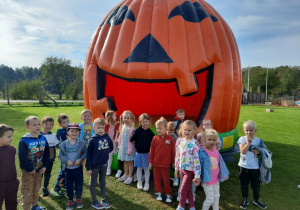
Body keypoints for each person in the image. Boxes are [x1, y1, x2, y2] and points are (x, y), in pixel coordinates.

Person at [18, 116, 49, 210]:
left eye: (39, 124)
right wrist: (30, 168)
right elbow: (22, 157)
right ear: (27, 127)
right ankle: (26, 207)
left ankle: (35, 205)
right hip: (28, 171)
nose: (37, 126)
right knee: (27, 190)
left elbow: (46, 153)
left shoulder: (43, 138)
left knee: (36, 188)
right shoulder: (24, 140)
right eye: (34, 125)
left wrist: (45, 165)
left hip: (39, 169)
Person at [238, 120, 267, 209]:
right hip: (243, 166)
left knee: (255, 184)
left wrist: (258, 152)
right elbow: (243, 151)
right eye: (247, 130)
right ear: (243, 130)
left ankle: (256, 199)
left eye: (251, 130)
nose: (249, 132)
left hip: (254, 167)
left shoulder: (259, 141)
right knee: (244, 184)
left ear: (255, 131)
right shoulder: (242, 139)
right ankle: (245, 199)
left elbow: (264, 152)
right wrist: (249, 142)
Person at [58, 123, 87, 210]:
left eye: (76, 131)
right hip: (68, 169)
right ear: (68, 132)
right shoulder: (63, 144)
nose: (74, 133)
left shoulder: (81, 143)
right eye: (72, 131)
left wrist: (80, 159)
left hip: (78, 168)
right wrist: (67, 161)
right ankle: (70, 199)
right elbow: (60, 155)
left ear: (79, 132)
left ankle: (78, 198)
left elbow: (86, 153)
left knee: (79, 184)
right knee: (69, 185)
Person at [86, 118, 113, 209]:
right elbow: (88, 155)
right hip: (94, 166)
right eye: (98, 128)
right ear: (94, 128)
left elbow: (111, 146)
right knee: (93, 182)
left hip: (104, 164)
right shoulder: (92, 140)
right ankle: (94, 201)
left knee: (103, 182)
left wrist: (104, 153)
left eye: (102, 127)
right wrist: (88, 168)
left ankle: (103, 199)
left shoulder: (106, 137)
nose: (101, 129)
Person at [199, 129, 229, 210]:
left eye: (214, 140)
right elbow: (198, 166)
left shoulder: (216, 151)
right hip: (207, 180)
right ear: (204, 139)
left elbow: (221, 164)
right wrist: (197, 177)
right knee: (210, 199)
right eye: (209, 139)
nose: (211, 142)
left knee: (216, 197)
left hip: (216, 179)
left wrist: (225, 174)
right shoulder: (201, 152)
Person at [175, 120, 201, 210]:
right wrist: (176, 169)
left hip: (190, 171)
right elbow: (177, 155)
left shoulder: (194, 144)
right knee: (189, 189)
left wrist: (197, 175)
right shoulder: (180, 141)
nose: (186, 132)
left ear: (194, 131)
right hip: (181, 169)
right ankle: (192, 206)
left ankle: (181, 206)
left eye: (189, 130)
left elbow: (197, 161)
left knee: (183, 188)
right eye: (185, 130)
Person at [149, 117, 175, 203]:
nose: (158, 130)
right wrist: (150, 162)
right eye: (157, 128)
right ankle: (158, 192)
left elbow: (173, 152)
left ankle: (168, 193)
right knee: (157, 179)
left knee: (166, 179)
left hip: (165, 165)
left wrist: (173, 162)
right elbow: (151, 151)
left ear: (166, 128)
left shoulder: (170, 139)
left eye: (160, 128)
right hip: (156, 164)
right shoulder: (155, 138)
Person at [130, 113, 154, 191]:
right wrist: (135, 142)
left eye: (147, 121)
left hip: (147, 154)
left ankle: (146, 183)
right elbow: (131, 139)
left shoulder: (150, 132)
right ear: (140, 123)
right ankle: (139, 182)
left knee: (146, 169)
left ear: (149, 122)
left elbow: (154, 142)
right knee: (139, 168)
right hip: (139, 153)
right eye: (143, 122)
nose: (145, 123)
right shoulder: (138, 131)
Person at [0, 124, 19, 210]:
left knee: (12, 204)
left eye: (11, 136)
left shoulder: (12, 149)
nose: (11, 138)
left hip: (12, 182)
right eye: (8, 137)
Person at [40, 116, 60, 197]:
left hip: (49, 160)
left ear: (53, 125)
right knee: (39, 175)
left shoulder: (53, 136)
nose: (48, 126)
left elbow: (58, 145)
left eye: (50, 124)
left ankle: (45, 187)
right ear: (42, 125)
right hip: (39, 160)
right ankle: (36, 188)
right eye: (46, 124)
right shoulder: (38, 135)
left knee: (47, 174)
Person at [51, 113, 70, 196]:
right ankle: (56, 188)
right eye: (64, 122)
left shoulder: (69, 129)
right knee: (63, 171)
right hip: (64, 155)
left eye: (68, 121)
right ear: (60, 124)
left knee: (67, 170)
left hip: (69, 154)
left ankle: (63, 185)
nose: (67, 123)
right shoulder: (62, 131)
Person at [117, 110, 135, 184]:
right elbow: (121, 137)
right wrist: (119, 145)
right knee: (125, 161)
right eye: (125, 118)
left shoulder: (132, 129)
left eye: (128, 118)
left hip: (129, 149)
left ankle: (130, 176)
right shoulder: (123, 126)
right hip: (123, 148)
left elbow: (132, 141)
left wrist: (130, 150)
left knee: (130, 162)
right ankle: (125, 174)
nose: (126, 120)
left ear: (131, 119)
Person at [104, 110, 119, 176]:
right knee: (108, 154)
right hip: (107, 141)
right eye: (114, 116)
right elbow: (104, 132)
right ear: (110, 117)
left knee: (111, 154)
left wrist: (116, 139)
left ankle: (109, 168)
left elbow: (117, 132)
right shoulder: (106, 124)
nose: (116, 117)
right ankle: (108, 167)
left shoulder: (116, 123)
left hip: (113, 141)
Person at [167, 121, 179, 186]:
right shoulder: (165, 136)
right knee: (166, 166)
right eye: (169, 132)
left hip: (173, 155)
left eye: (171, 132)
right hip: (166, 155)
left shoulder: (174, 137)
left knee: (174, 167)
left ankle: (176, 178)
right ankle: (167, 178)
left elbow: (177, 147)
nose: (170, 133)